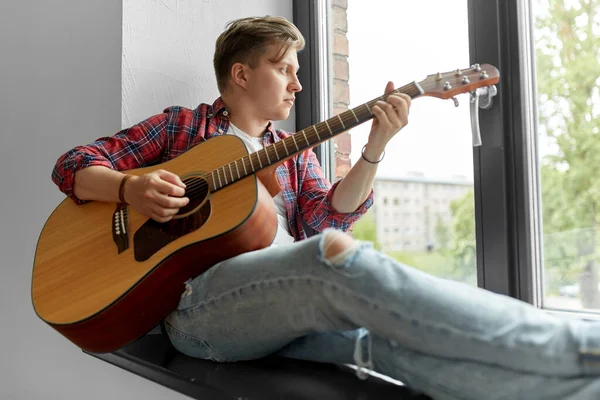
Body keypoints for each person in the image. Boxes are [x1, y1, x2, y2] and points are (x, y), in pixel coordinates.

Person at [51, 15, 600, 400]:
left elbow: (326, 215)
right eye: (284, 68)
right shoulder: (183, 128)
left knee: (378, 347)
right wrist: (130, 190)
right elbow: (73, 164)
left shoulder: (291, 153)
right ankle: (579, 347)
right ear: (241, 75)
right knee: (335, 258)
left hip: (274, 302)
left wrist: (375, 148)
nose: (298, 81)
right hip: (197, 312)